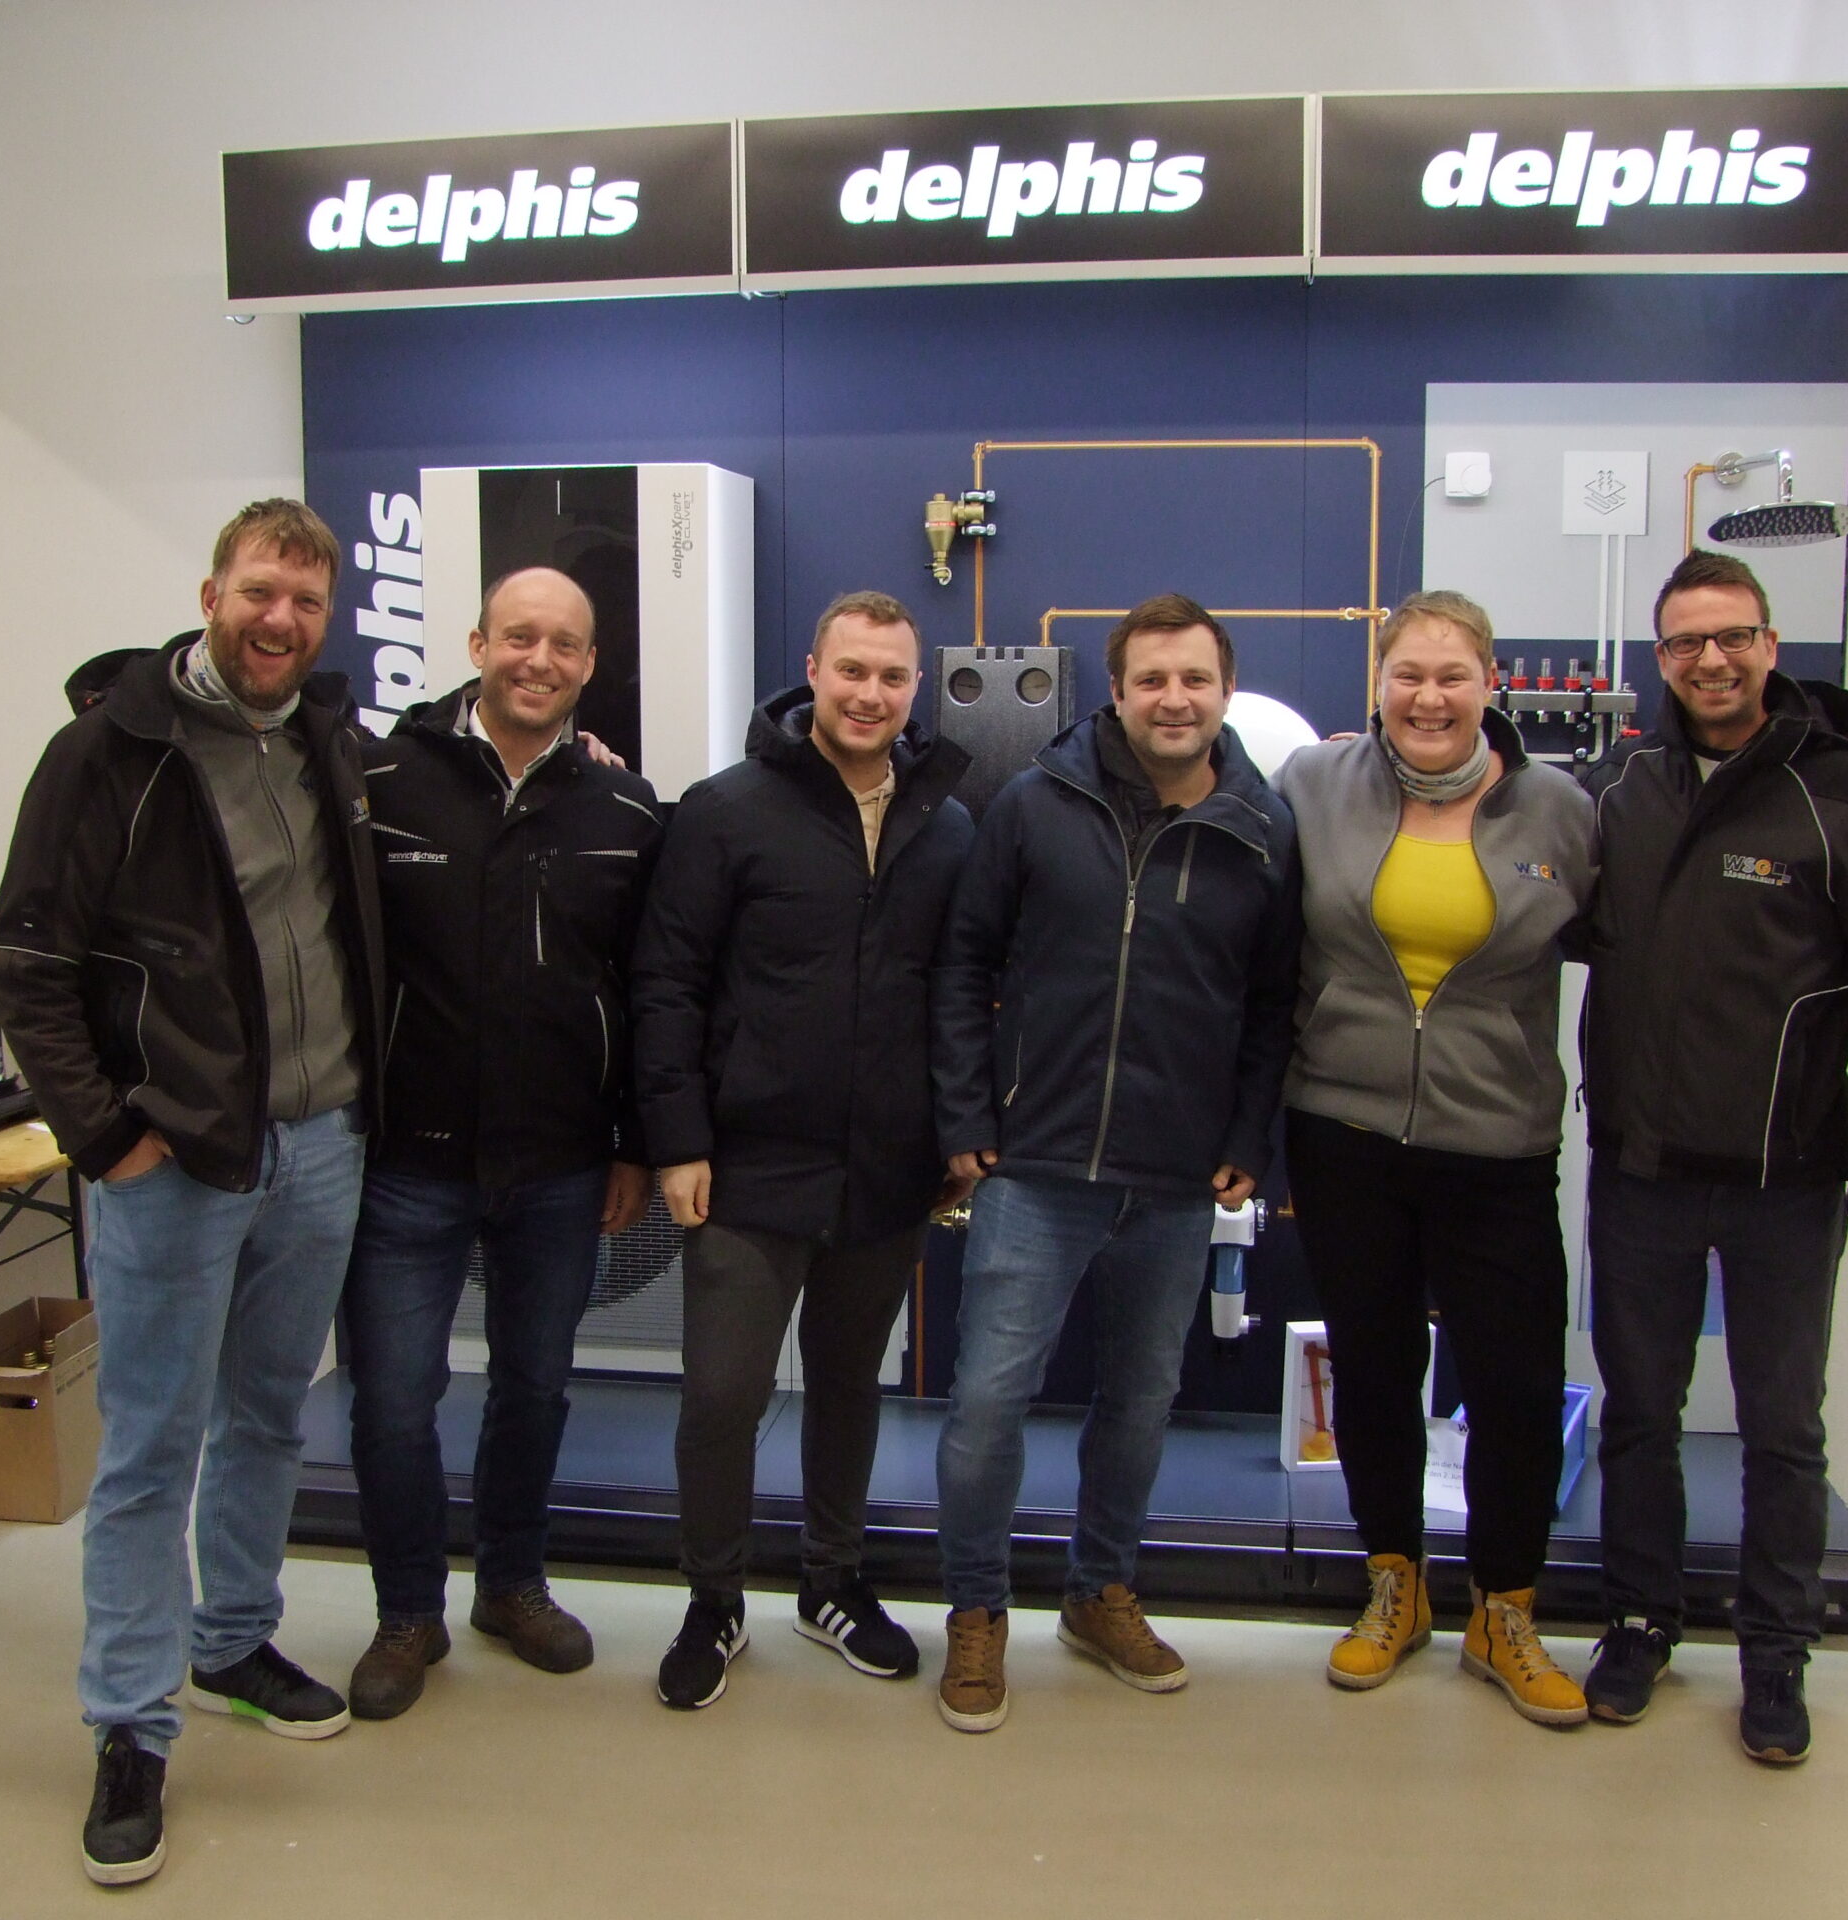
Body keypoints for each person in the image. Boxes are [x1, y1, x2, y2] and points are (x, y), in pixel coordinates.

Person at [0, 500, 385, 1885]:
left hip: (320, 1143)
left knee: (270, 1413)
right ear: (212, 592)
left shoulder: (326, 738)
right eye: (261, 592)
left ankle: (231, 1644)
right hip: (175, 1163)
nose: (282, 621)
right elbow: (28, 966)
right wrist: (108, 1140)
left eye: (307, 603)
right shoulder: (109, 752)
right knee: (153, 1446)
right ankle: (129, 1725)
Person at [1577, 548, 1848, 1764]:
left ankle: (1775, 1653)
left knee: (1783, 1428)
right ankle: (1638, 1622)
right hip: (1640, 1170)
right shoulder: (1624, 785)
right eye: (1686, 642)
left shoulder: (1838, 792)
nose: (1712, 660)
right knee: (1640, 1413)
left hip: (1786, 1179)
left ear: (1770, 646)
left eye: (1732, 636)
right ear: (1661, 657)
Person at [930, 593, 1299, 1733]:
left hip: (1176, 1178)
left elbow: (1273, 1005)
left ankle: (1099, 1593)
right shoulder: (1036, 805)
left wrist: (1247, 1136)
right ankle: (977, 1611)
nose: (1173, 700)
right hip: (1035, 1165)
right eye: (1151, 680)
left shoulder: (1262, 828)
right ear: (1118, 690)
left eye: (1194, 680)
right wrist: (964, 1114)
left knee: (1140, 1405)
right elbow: (963, 964)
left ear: (1224, 690)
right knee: (988, 1403)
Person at [630, 589, 974, 1710]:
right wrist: (678, 1140)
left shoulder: (947, 825)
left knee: (847, 1387)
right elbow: (667, 983)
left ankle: (832, 1582)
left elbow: (959, 993)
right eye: (852, 671)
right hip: (745, 1165)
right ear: (812, 671)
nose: (870, 694)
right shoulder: (726, 811)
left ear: (914, 688)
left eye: (892, 677)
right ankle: (713, 1600)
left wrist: (955, 1136)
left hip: (885, 1169)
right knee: (722, 1396)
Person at [335, 566, 662, 1720]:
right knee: (392, 1399)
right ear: (476, 643)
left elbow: (647, 991)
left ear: (589, 664)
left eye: (565, 644)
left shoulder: (627, 810)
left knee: (535, 1387)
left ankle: (512, 1585)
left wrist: (632, 1142)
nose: (540, 660)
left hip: (562, 1164)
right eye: (520, 636)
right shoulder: (379, 784)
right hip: (407, 1163)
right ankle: (406, 1611)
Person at [1275, 590, 1597, 1728]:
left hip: (1497, 1142)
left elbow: (1636, 950)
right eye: (1407, 674)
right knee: (1371, 1372)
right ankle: (1394, 1588)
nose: (1428, 697)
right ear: (1377, 684)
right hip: (1343, 1131)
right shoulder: (1312, 785)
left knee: (1513, 1385)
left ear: (1489, 685)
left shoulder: (1559, 810)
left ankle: (1504, 1611)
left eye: (1452, 675)